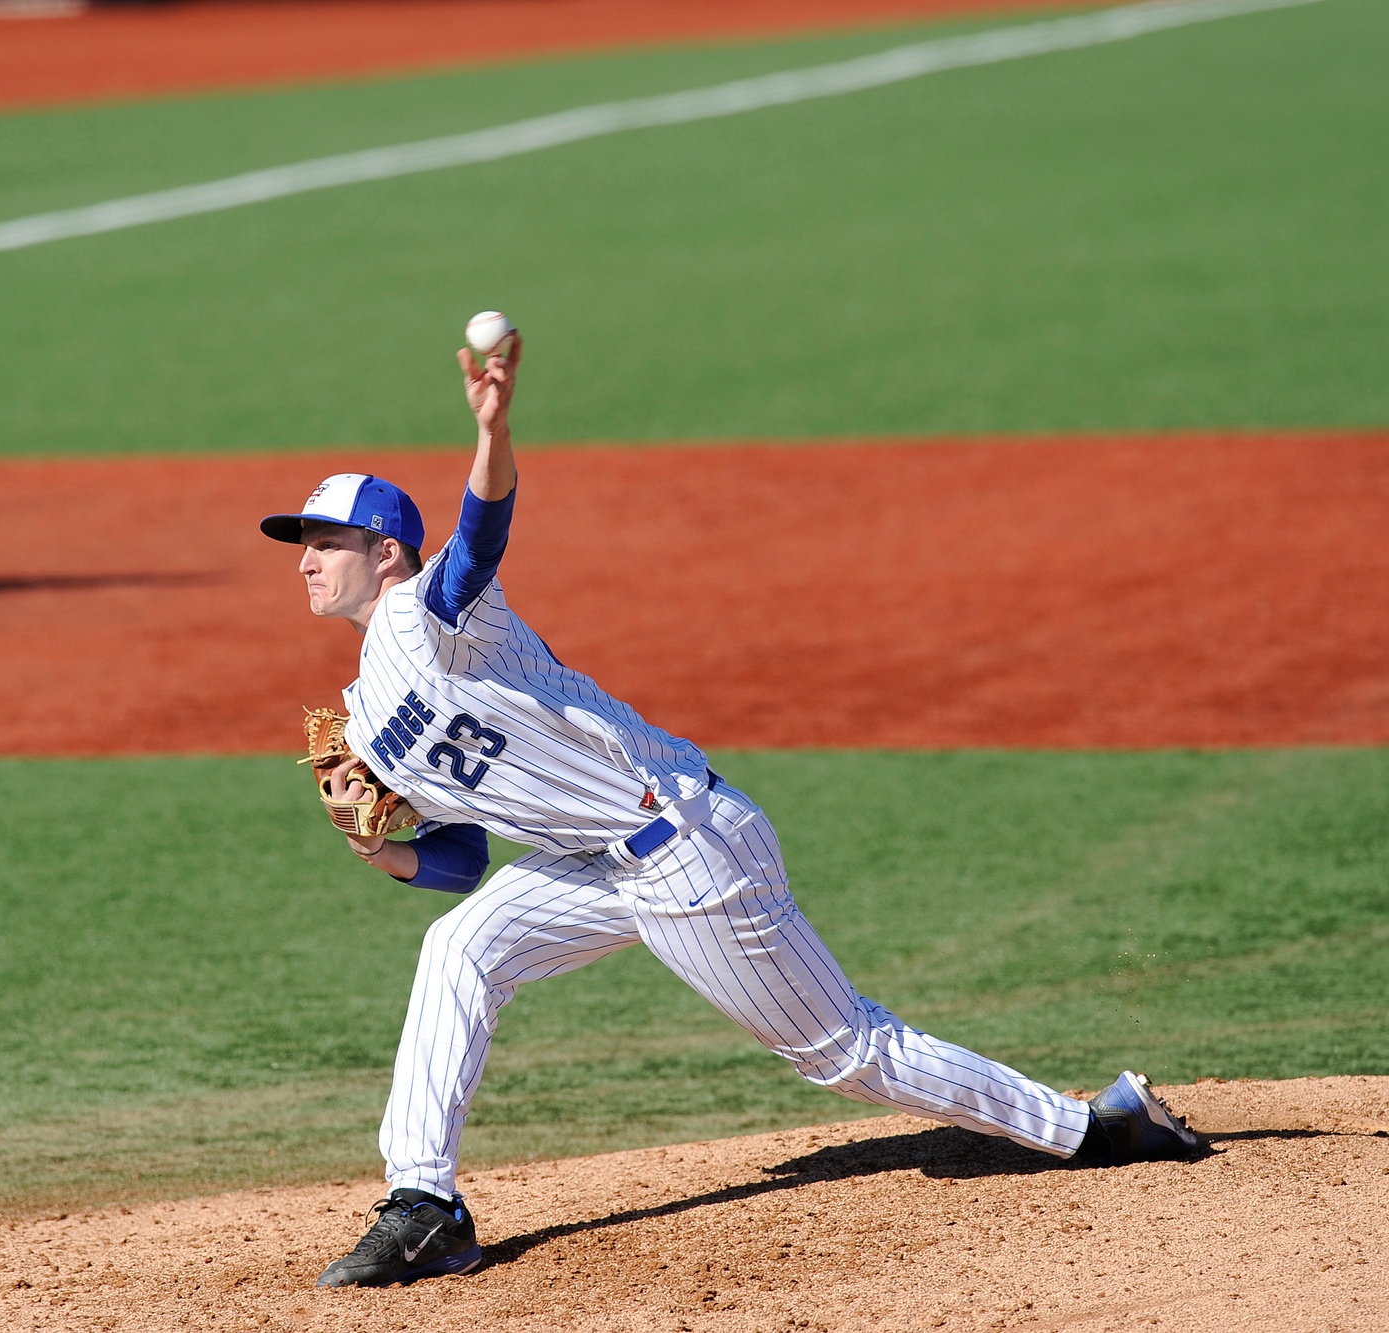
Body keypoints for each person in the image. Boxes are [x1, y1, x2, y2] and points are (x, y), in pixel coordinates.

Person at [259, 332, 1201, 1290]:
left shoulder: (433, 614)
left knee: (850, 1053)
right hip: (591, 866)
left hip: (684, 850)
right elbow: (460, 857)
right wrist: (385, 856)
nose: (304, 562)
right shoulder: (366, 713)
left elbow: (482, 530)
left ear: (385, 554)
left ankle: (1096, 1125)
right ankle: (424, 1204)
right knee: (460, 946)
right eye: (301, 547)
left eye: (324, 543)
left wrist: (490, 429)